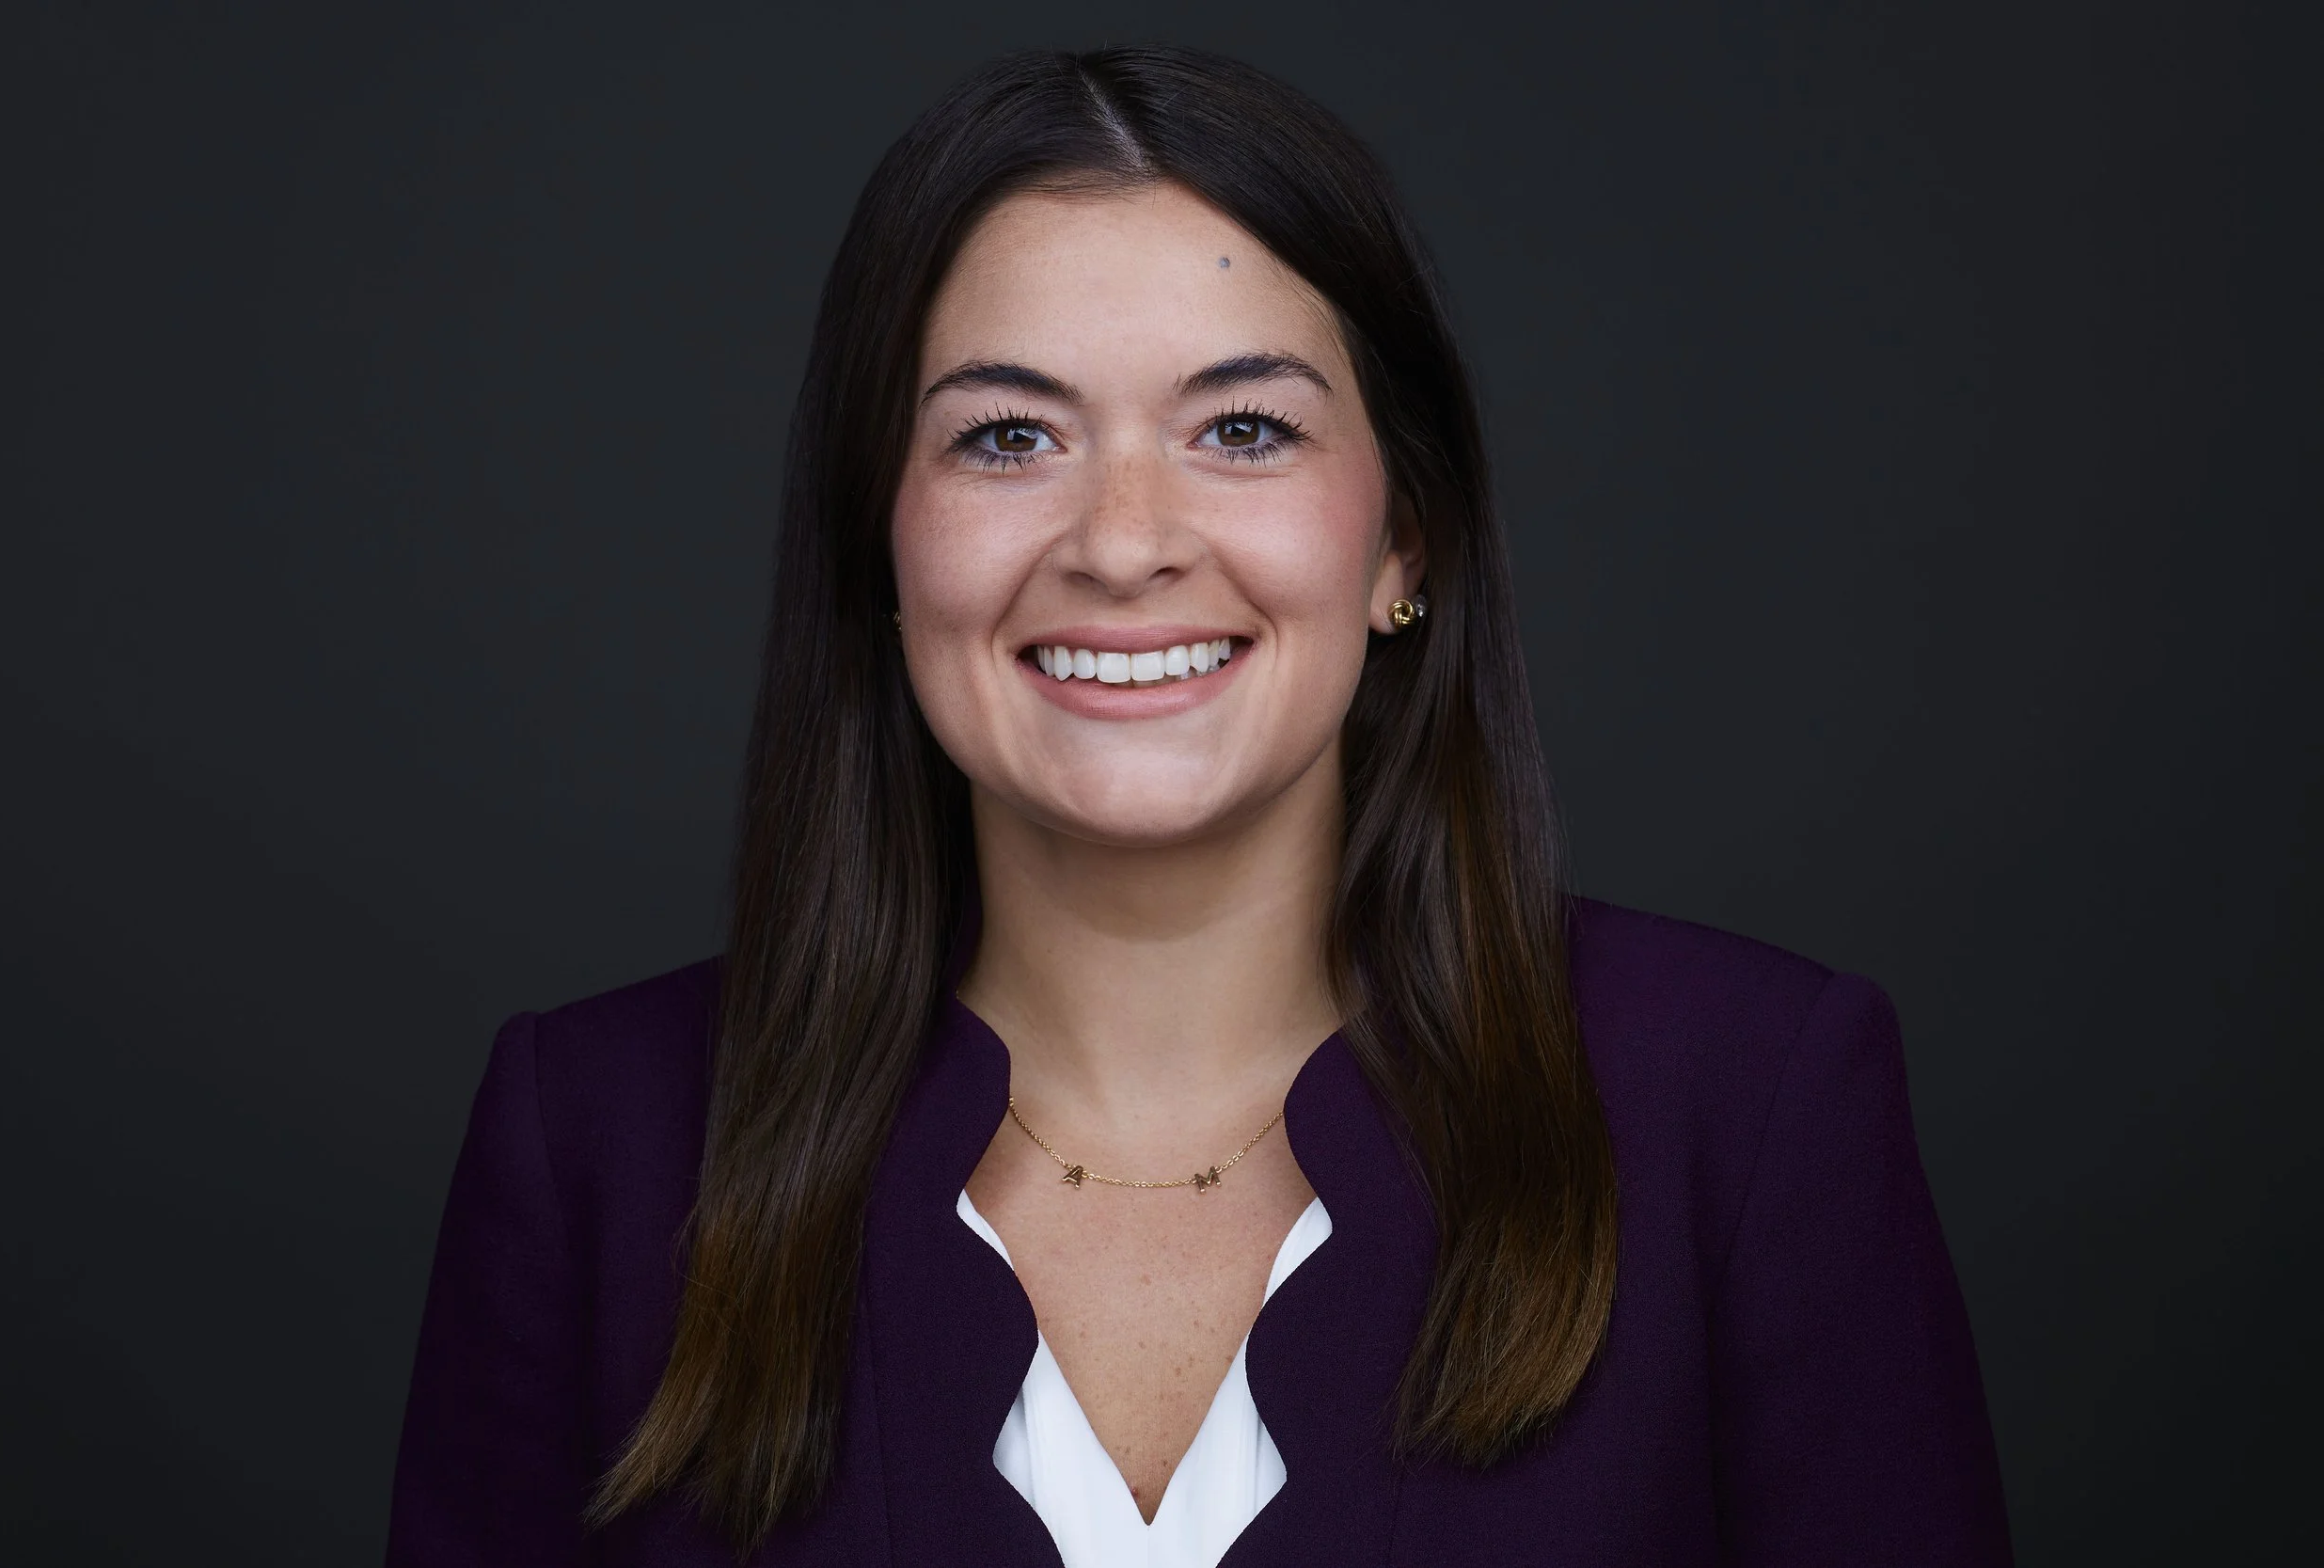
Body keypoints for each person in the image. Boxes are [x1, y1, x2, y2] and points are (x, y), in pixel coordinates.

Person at [387, 43, 2009, 1568]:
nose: (1123, 538)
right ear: (880, 545)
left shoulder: (1750, 1108)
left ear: (1403, 544)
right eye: (1008, 436)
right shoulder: (596, 1138)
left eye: (1242, 428)